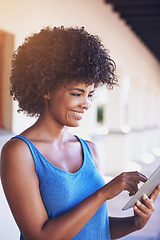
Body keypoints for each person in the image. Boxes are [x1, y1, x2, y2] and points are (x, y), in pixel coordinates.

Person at [1, 26, 159, 240]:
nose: (86, 104)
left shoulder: (90, 150)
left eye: (90, 94)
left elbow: (94, 227)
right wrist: (104, 193)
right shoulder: (19, 152)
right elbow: (40, 236)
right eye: (77, 93)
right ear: (45, 89)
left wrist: (134, 223)